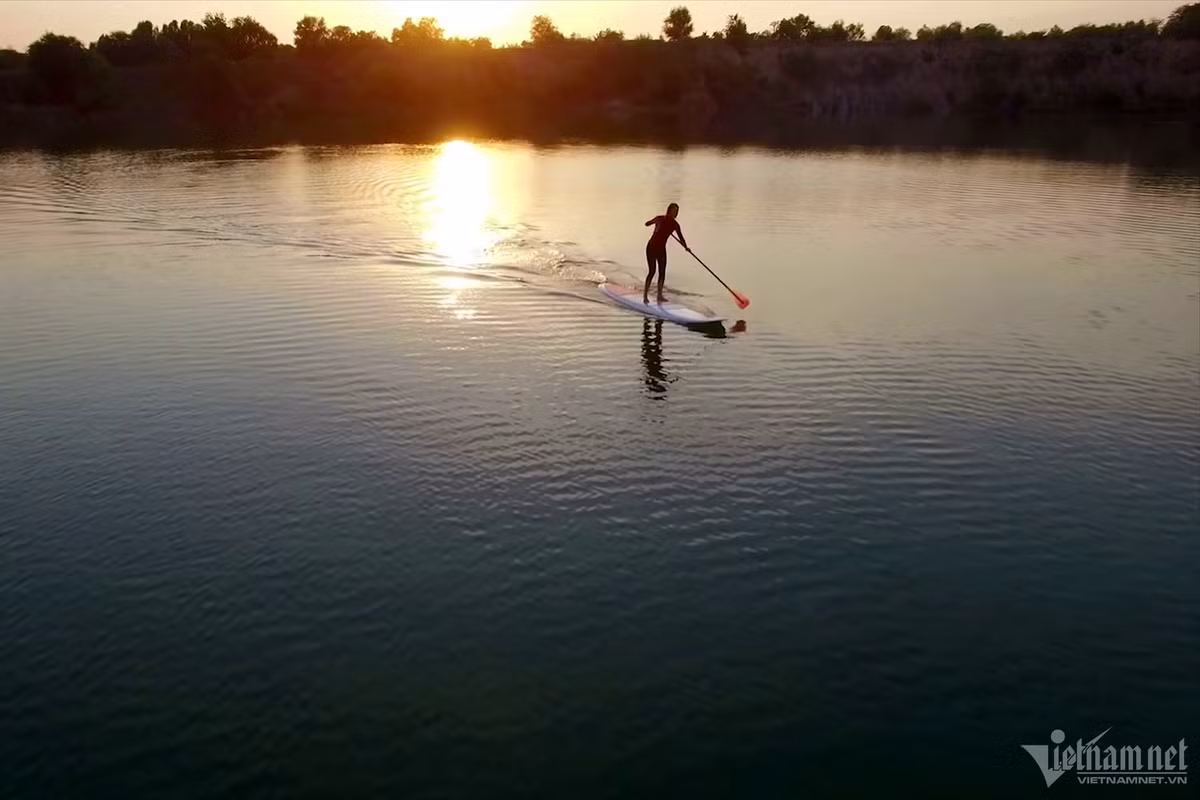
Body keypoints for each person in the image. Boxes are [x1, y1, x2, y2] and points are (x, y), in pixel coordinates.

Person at [643, 202, 688, 304]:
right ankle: (645, 296)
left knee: (662, 273)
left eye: (677, 211)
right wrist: (654, 224)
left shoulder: (675, 225)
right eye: (674, 211)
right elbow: (647, 223)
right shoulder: (660, 218)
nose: (675, 213)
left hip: (661, 249)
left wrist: (686, 247)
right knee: (652, 271)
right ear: (669, 210)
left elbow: (681, 238)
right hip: (651, 247)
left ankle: (659, 295)